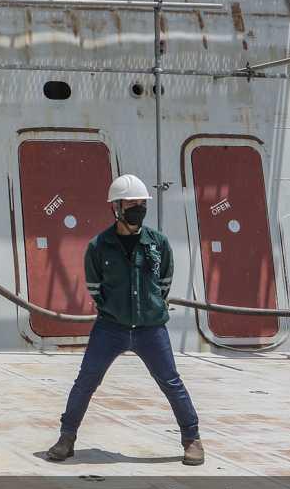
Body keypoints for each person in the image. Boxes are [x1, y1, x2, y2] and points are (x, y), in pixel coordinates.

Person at [45, 174, 204, 466]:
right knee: (86, 381)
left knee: (171, 382)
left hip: (150, 328)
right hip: (111, 327)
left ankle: (191, 439)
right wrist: (116, 309)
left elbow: (164, 280)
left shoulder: (158, 243)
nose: (138, 209)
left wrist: (150, 306)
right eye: (131, 203)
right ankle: (66, 438)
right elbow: (95, 287)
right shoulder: (99, 245)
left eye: (142, 204)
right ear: (116, 207)